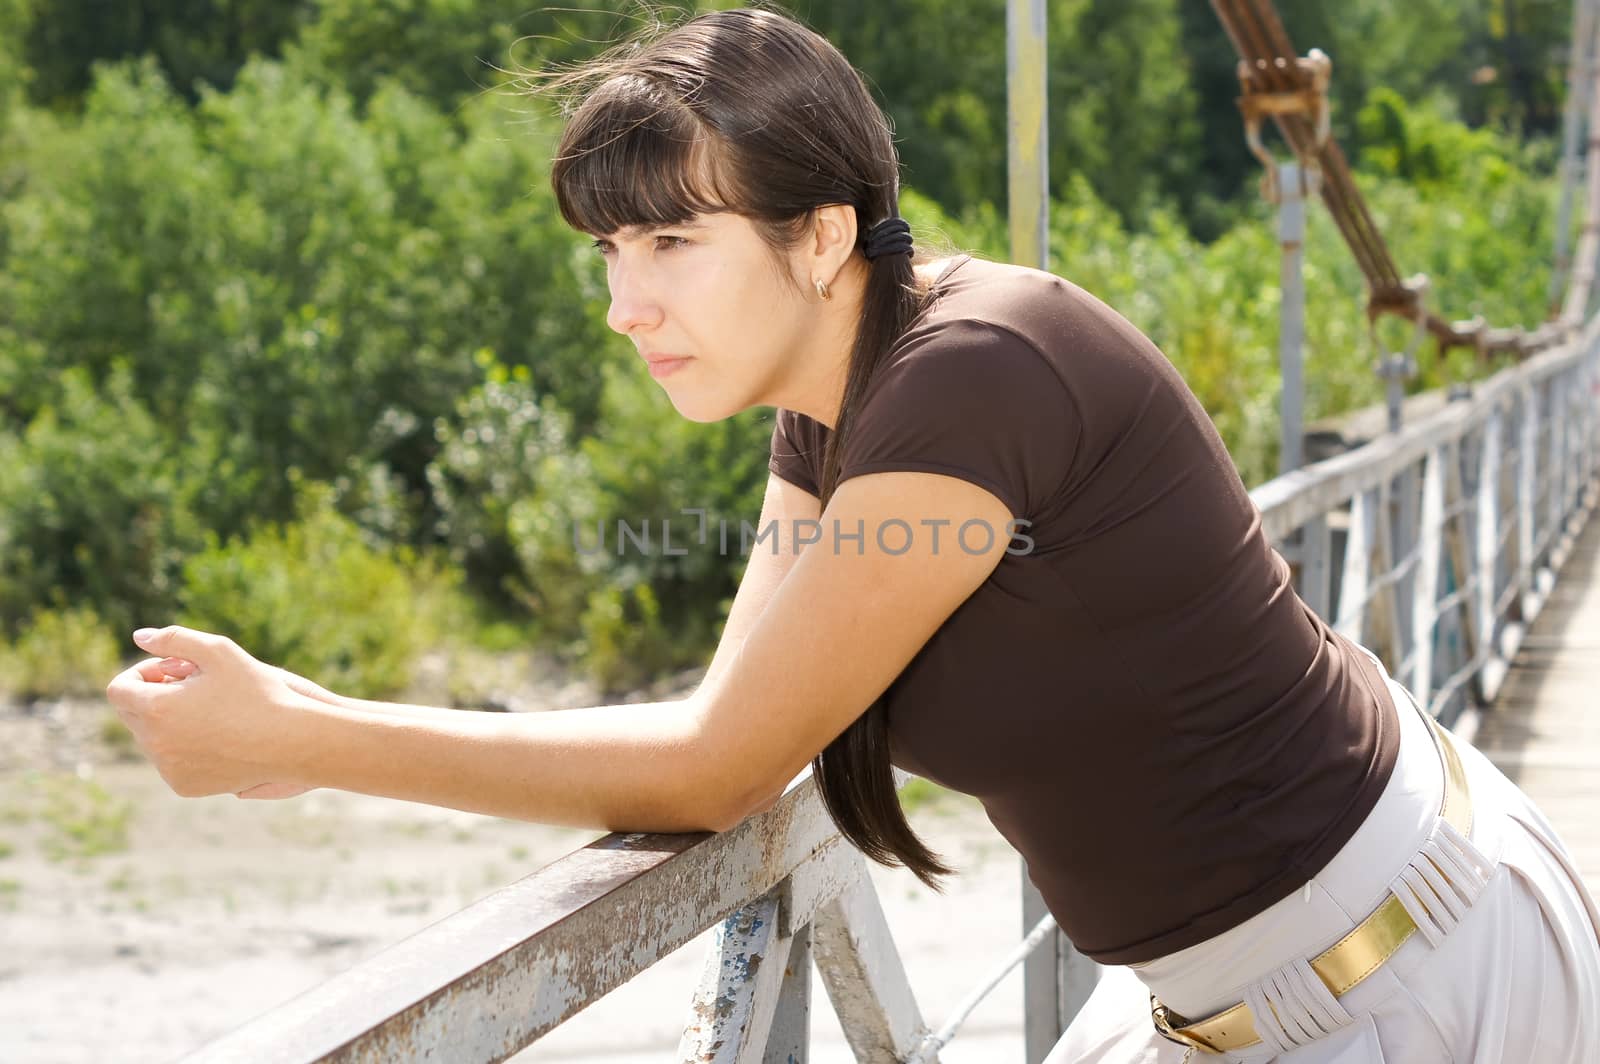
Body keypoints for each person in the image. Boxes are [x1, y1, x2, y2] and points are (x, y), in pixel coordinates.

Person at [104, 8, 1600, 1061]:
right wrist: (293, 708)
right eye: (611, 252)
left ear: (822, 236)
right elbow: (735, 710)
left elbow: (712, 770)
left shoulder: (971, 381)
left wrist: (303, 741)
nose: (627, 305)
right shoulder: (830, 400)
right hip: (1243, 995)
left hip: (1409, 988)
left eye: (673, 243)